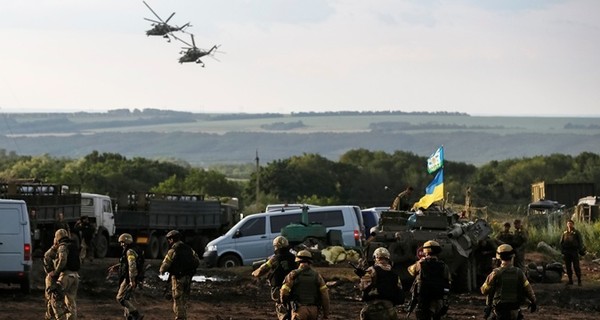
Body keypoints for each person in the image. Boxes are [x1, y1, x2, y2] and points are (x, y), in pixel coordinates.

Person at [480, 244, 537, 320]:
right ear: (512, 257)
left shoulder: (495, 273)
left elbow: (484, 290)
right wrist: (533, 302)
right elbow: (528, 290)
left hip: (499, 311)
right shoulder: (519, 273)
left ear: (499, 257)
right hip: (515, 311)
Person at [252, 235, 297, 320]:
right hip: (293, 287)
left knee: (281, 307)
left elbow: (262, 270)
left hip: (278, 287)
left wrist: (254, 273)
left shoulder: (274, 259)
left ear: (276, 246)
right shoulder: (294, 257)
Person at [159, 230, 201, 320]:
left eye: (169, 239)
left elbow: (165, 264)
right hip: (188, 277)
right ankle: (184, 317)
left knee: (178, 299)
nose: (168, 241)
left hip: (178, 278)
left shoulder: (173, 250)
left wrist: (162, 270)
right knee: (184, 299)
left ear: (172, 239)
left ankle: (180, 318)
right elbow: (197, 261)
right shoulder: (189, 249)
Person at [280, 250, 330, 320]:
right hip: (314, 310)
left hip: (299, 310)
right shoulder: (317, 276)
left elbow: (284, 291)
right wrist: (326, 314)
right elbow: (325, 296)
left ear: (297, 261)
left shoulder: (293, 275)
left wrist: (285, 304)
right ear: (310, 261)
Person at [407, 240, 451, 320]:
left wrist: (420, 261)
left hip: (423, 297)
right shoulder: (444, 266)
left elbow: (410, 270)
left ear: (425, 251)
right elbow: (448, 280)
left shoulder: (420, 264)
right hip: (438, 297)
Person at [358, 247, 403, 320]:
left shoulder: (371, 270)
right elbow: (399, 290)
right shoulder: (394, 273)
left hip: (374, 307)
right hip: (390, 308)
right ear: (388, 259)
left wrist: (362, 277)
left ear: (375, 257)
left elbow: (363, 287)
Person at [109, 233, 144, 320]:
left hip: (129, 278)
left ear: (127, 241)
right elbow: (127, 263)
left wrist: (132, 280)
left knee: (120, 298)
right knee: (127, 298)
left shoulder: (129, 251)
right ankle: (129, 316)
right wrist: (117, 266)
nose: (121, 244)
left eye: (122, 242)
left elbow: (132, 266)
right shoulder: (135, 249)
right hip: (134, 277)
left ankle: (135, 314)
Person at [48, 228, 80, 320]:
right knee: (71, 301)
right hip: (75, 276)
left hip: (66, 276)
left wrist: (56, 272)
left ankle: (60, 318)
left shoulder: (63, 247)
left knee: (56, 299)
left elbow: (62, 260)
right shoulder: (73, 245)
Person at [44, 239, 68, 320]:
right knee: (53, 301)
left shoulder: (61, 251)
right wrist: (53, 272)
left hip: (57, 278)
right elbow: (47, 265)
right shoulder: (51, 253)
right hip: (52, 279)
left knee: (55, 301)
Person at [559, 219, 585, 286]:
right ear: (566, 225)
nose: (569, 225)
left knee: (576, 266)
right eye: (568, 223)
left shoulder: (576, 232)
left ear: (573, 224)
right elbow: (561, 243)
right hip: (567, 252)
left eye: (570, 223)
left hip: (574, 252)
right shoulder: (564, 233)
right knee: (568, 267)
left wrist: (580, 250)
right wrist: (562, 251)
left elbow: (580, 242)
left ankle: (579, 280)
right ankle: (570, 280)